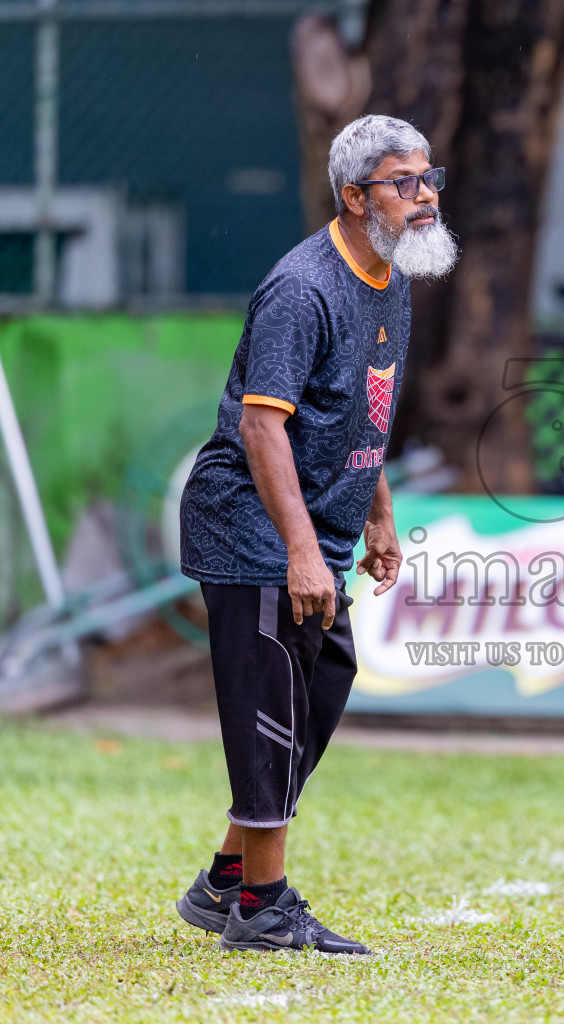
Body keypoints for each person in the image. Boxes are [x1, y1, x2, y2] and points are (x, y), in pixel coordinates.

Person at [174, 115, 458, 954]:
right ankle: (261, 907)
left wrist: (379, 512)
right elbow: (262, 428)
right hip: (251, 525)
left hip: (319, 530)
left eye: (429, 177)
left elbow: (366, 408)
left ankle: (225, 880)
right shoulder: (303, 289)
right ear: (355, 196)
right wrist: (300, 550)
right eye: (404, 183)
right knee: (272, 712)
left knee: (321, 689)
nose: (426, 196)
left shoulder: (390, 275)